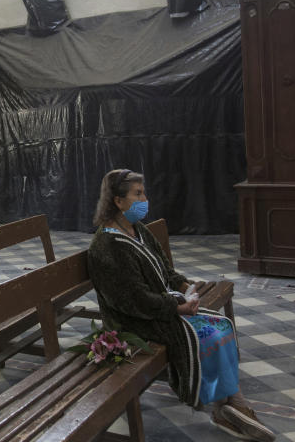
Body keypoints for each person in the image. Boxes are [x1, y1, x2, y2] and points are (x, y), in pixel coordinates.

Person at [87, 168, 275, 442]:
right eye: (137, 194)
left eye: (144, 193)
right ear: (117, 201)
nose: (144, 199)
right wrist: (176, 307)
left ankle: (230, 406)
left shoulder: (137, 230)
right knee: (208, 334)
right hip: (135, 321)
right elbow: (133, 301)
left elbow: (165, 270)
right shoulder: (107, 246)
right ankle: (228, 407)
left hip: (160, 306)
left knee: (221, 326)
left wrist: (186, 287)